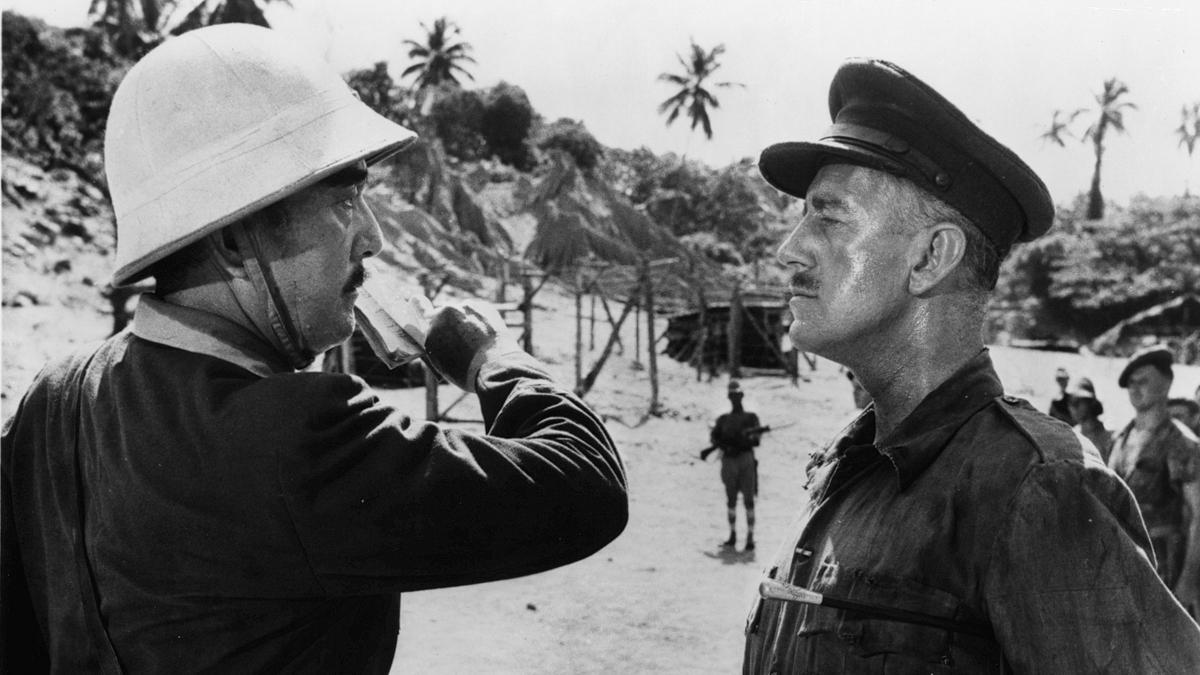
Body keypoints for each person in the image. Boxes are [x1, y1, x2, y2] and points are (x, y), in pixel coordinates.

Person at [0, 25, 628, 673]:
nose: (375, 237)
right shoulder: (295, 436)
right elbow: (586, 483)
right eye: (345, 200)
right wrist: (490, 358)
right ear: (234, 239)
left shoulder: (53, 397)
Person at [743, 58, 1200, 673]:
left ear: (931, 257)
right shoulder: (847, 465)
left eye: (827, 216)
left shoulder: (1037, 489)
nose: (789, 249)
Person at [1108, 345, 1200, 614]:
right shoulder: (1119, 439)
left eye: (1143, 381)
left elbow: (1198, 516)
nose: (1135, 389)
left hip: (1164, 566)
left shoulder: (1182, 443)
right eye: (1130, 383)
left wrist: (1188, 580)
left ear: (1167, 383)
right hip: (1120, 563)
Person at [711, 380, 763, 551]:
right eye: (732, 396)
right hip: (729, 461)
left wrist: (744, 440)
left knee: (749, 500)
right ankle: (732, 535)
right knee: (731, 500)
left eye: (738, 395)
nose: (735, 399)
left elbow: (756, 441)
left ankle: (750, 537)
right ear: (729, 397)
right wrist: (727, 446)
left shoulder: (751, 418)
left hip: (745, 459)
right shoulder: (723, 420)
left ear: (742, 396)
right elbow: (715, 438)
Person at [1066, 377, 1112, 462]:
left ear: (1091, 402)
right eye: (1071, 402)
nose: (1073, 407)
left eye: (1078, 401)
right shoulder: (1072, 435)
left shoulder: (1109, 436)